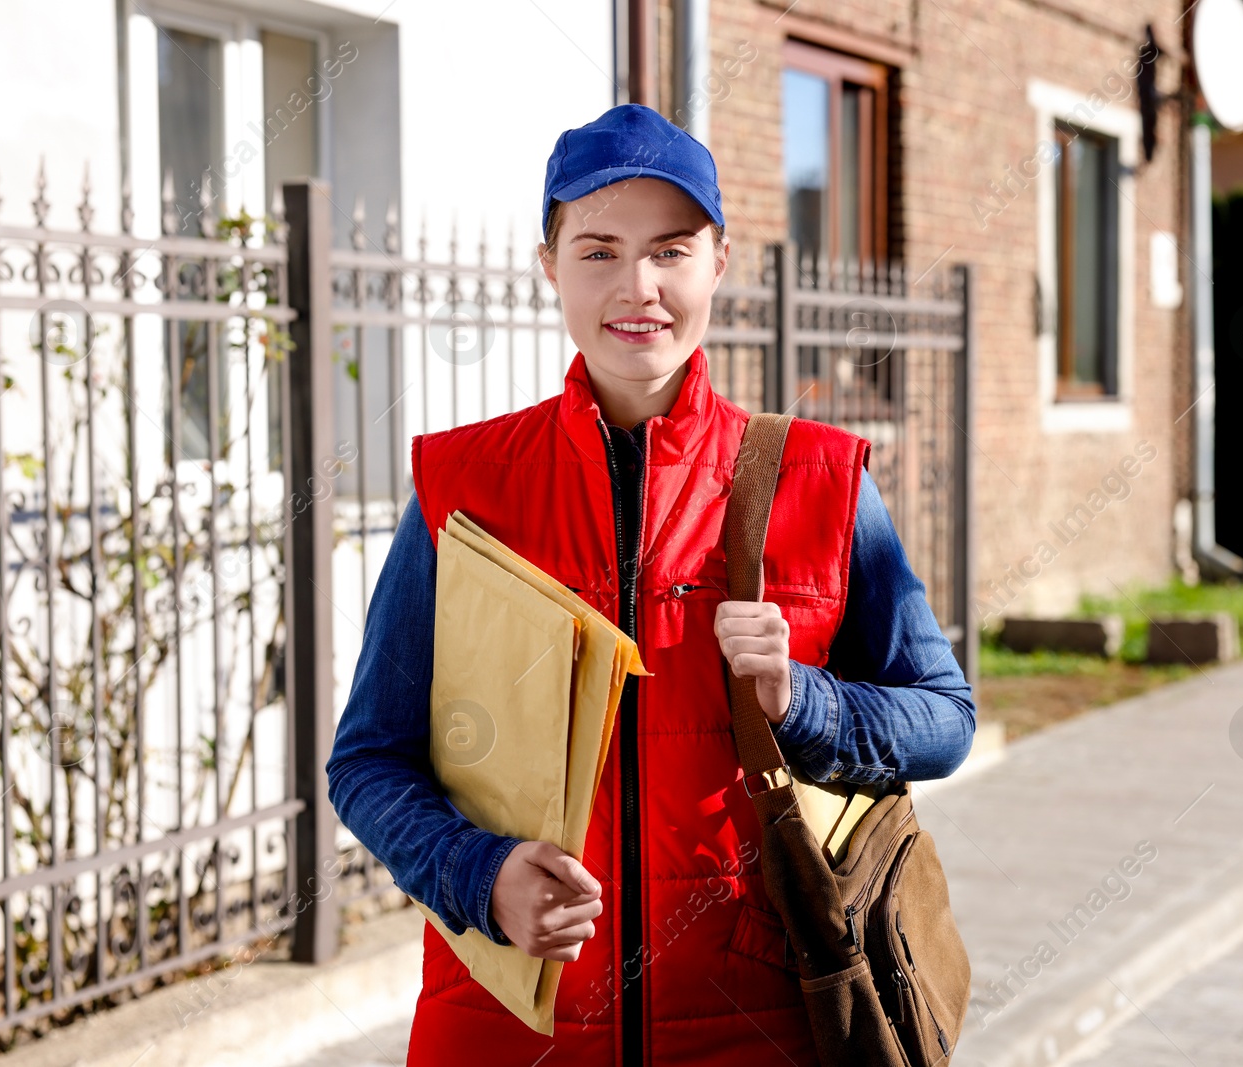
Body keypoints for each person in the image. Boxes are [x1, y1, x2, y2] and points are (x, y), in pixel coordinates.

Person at [325, 102, 976, 1066]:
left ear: (720, 260)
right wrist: (478, 871)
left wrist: (805, 700)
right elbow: (368, 759)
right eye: (599, 251)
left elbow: (945, 719)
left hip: (760, 1024)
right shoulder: (461, 489)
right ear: (550, 266)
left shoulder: (820, 477)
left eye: (672, 250)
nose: (640, 287)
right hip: (507, 1031)